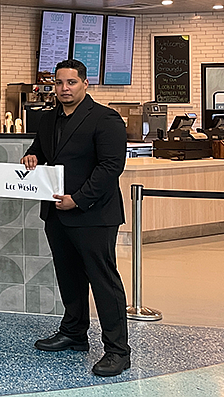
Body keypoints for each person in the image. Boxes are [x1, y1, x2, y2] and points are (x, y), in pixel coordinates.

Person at [21, 59, 131, 377]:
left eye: (70, 83)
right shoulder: (48, 118)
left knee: (103, 281)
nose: (64, 89)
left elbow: (110, 167)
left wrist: (78, 199)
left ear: (85, 83)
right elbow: (41, 151)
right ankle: (74, 333)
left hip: (94, 214)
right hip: (56, 214)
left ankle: (118, 351)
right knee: (69, 277)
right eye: (59, 83)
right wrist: (31, 156)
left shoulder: (105, 118)